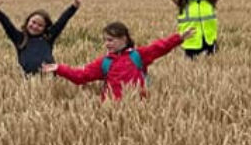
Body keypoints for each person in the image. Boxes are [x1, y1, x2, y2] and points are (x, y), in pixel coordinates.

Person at [41, 22, 193, 100]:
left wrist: (179, 38)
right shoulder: (104, 62)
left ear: (124, 39)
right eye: (105, 40)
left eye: (110, 40)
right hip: (111, 109)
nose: (107, 44)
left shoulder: (138, 55)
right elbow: (81, 76)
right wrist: (59, 68)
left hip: (138, 108)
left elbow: (160, 47)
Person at [0, 0, 83, 75]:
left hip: (48, 79)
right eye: (33, 22)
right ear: (27, 21)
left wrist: (75, 5)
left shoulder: (48, 37)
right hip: (27, 82)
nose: (35, 26)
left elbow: (62, 21)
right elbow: (7, 24)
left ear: (45, 29)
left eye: (40, 25)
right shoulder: (19, 38)